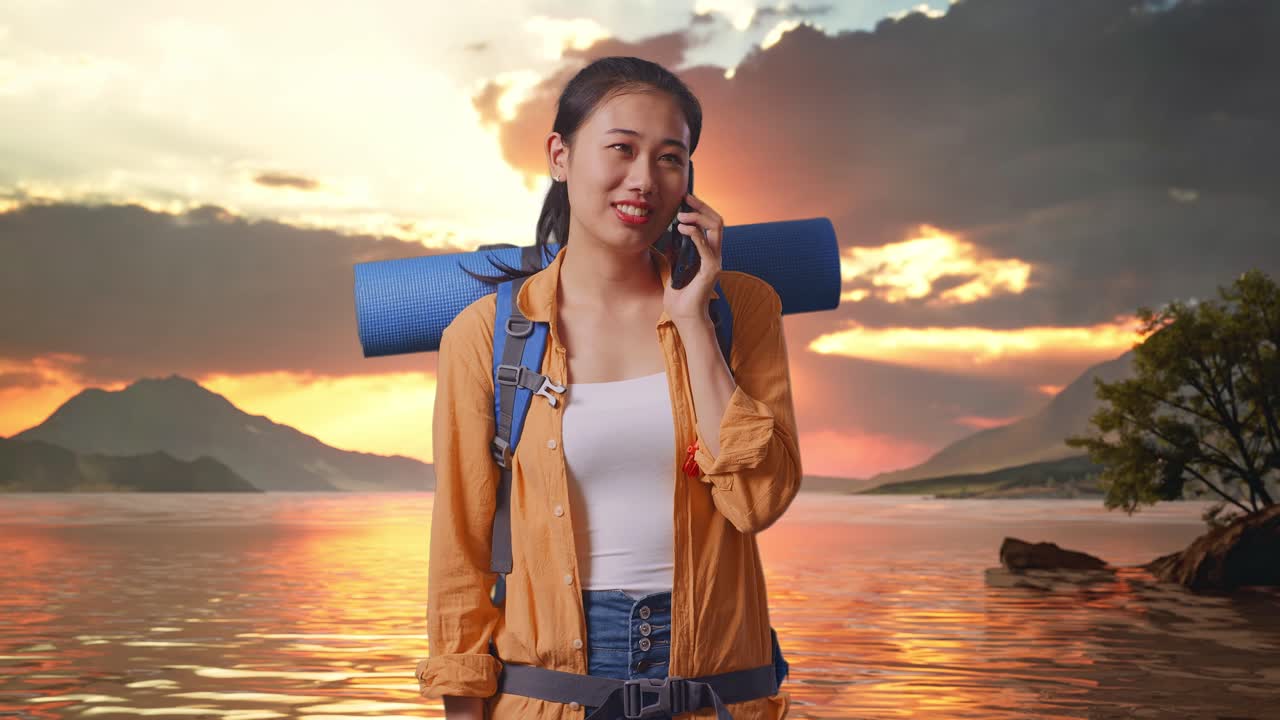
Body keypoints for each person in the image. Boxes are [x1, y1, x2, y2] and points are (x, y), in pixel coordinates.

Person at [417, 55, 801, 719]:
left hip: (717, 693)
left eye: (670, 158)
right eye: (621, 148)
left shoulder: (741, 310)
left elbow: (757, 501)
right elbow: (461, 550)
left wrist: (693, 322)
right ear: (560, 156)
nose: (644, 179)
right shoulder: (485, 335)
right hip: (548, 694)